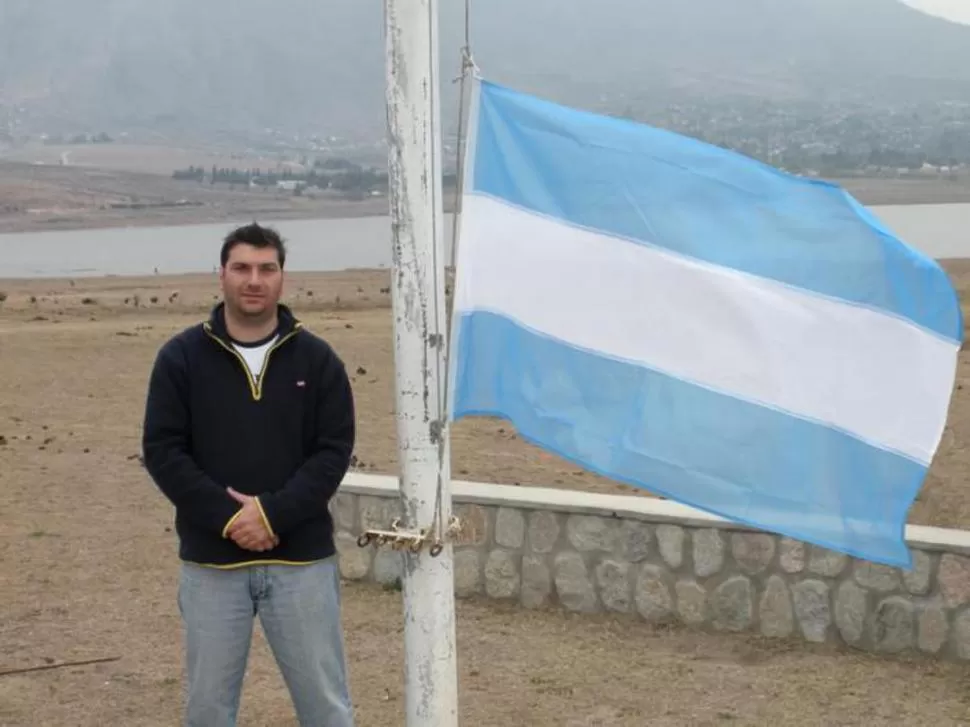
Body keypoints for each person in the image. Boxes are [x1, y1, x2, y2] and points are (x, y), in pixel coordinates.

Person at [141, 222, 357, 727]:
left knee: (326, 707)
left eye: (266, 268)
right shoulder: (180, 358)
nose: (253, 280)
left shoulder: (318, 359)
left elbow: (333, 451)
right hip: (212, 567)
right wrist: (230, 518)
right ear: (221, 275)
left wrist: (272, 514)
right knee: (209, 711)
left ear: (283, 278)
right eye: (241, 267)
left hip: (302, 563)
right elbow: (163, 450)